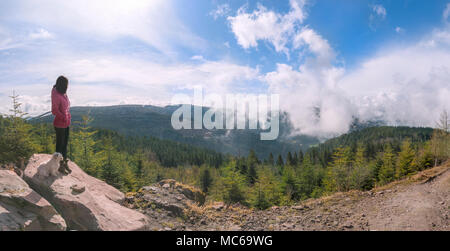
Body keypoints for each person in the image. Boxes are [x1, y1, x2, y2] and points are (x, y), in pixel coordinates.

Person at [51, 76, 72, 174]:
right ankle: (58, 166)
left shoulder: (63, 93)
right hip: (60, 124)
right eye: (66, 84)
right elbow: (54, 111)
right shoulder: (56, 94)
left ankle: (63, 163)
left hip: (66, 123)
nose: (68, 86)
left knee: (65, 145)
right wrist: (63, 117)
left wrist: (68, 115)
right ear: (63, 84)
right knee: (60, 146)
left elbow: (65, 107)